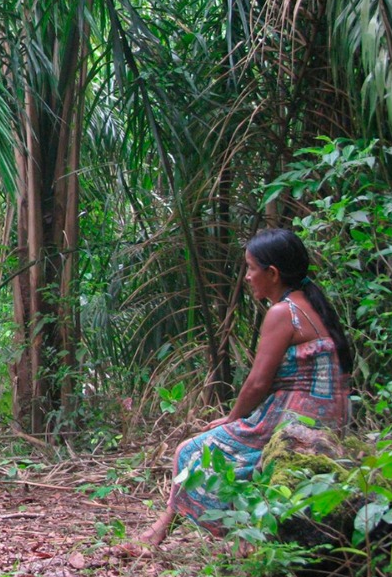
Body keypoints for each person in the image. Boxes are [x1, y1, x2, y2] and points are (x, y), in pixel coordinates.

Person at [124, 229, 353, 554]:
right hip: (325, 417)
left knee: (190, 452)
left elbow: (258, 383)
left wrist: (230, 418)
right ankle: (230, 535)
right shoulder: (313, 306)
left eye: (250, 268)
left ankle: (161, 531)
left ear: (272, 273)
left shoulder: (282, 313)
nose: (246, 277)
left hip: (294, 419)